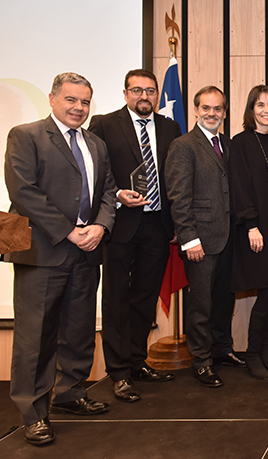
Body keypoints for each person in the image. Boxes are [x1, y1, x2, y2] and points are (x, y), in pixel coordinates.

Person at [5, 72, 117, 446]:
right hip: (44, 251)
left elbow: (108, 191)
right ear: (53, 99)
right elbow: (24, 192)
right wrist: (69, 231)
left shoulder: (96, 144)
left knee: (79, 329)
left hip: (87, 251)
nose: (78, 108)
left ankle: (70, 394)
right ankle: (33, 413)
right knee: (35, 337)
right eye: (71, 99)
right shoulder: (26, 135)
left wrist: (100, 226)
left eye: (84, 101)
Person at [88, 69, 181, 403]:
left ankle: (137, 361)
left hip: (157, 226)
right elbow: (94, 172)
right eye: (137, 90)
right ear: (125, 93)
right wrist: (116, 195)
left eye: (150, 90)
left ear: (157, 94)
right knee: (116, 300)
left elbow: (175, 177)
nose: (144, 96)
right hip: (120, 225)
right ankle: (118, 372)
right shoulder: (104, 124)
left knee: (145, 297)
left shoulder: (170, 127)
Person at [165, 86, 243, 388]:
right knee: (200, 303)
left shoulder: (228, 144)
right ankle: (201, 360)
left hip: (228, 237)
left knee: (224, 298)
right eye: (206, 108)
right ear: (196, 110)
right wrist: (189, 238)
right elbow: (179, 196)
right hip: (201, 239)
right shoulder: (184, 145)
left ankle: (222, 348)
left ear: (224, 112)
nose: (212, 113)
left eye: (218, 108)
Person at [229, 85, 268, 379]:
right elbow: (239, 187)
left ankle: (265, 352)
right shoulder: (240, 142)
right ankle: (253, 354)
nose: (267, 110)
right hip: (253, 229)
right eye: (260, 105)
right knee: (265, 290)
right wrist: (251, 225)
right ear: (251, 110)